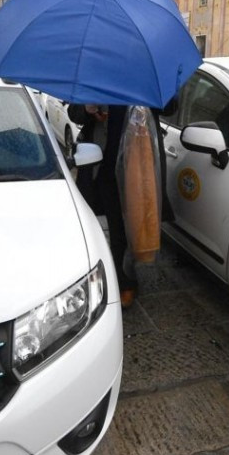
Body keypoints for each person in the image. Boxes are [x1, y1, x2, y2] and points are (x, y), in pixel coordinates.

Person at [69, 103, 137, 306]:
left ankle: (125, 281)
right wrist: (86, 109)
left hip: (131, 164)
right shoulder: (95, 76)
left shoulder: (141, 79)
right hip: (97, 166)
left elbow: (169, 107)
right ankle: (90, 278)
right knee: (92, 226)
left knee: (124, 229)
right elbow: (74, 112)